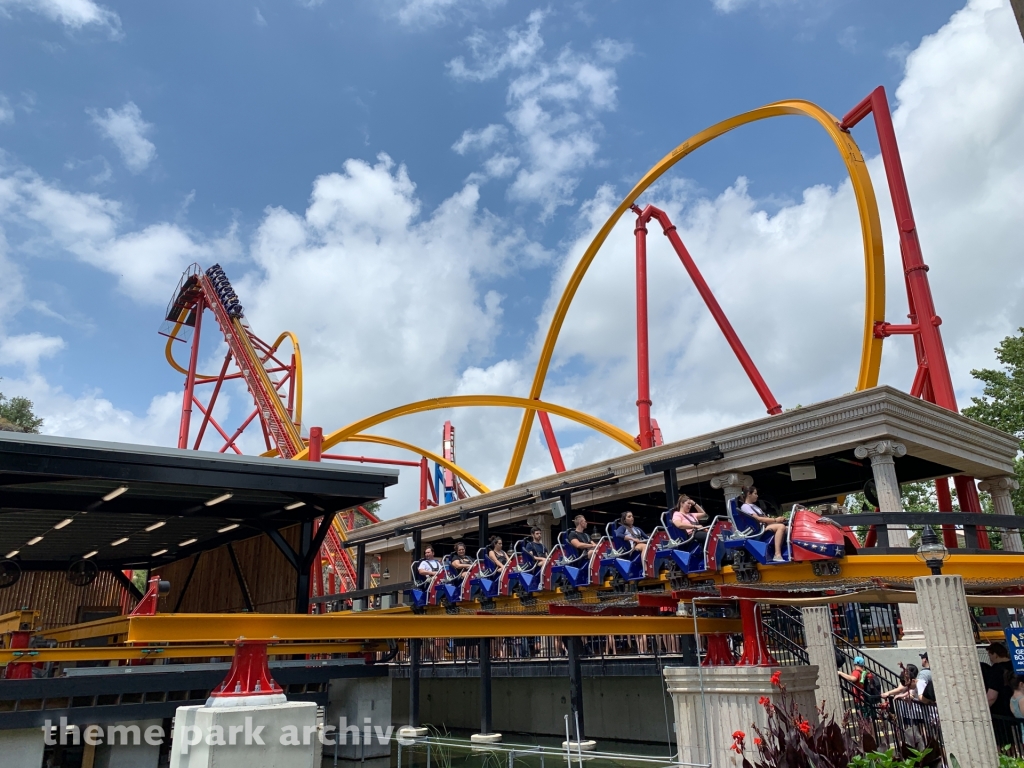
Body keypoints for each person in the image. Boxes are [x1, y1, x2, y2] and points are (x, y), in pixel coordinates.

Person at [738, 486, 787, 562]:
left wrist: (778, 520)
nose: (757, 496)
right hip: (759, 530)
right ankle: (777, 555)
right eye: (755, 493)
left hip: (764, 527)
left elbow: (765, 518)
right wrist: (775, 520)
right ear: (749, 494)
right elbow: (758, 519)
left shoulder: (755, 506)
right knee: (781, 527)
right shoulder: (745, 507)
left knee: (787, 527)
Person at [985, 642, 1016, 746]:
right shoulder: (1015, 666)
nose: (990, 658)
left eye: (989, 654)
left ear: (995, 654)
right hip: (1018, 709)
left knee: (1005, 745)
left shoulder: (995, 670)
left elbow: (992, 696)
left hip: (1001, 713)